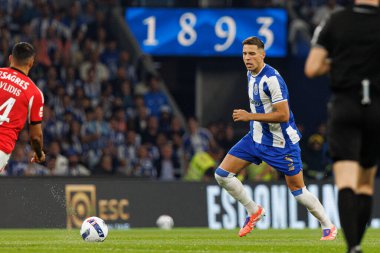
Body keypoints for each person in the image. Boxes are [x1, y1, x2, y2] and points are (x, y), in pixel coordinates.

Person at [214, 36, 336, 240]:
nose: (247, 58)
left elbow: (283, 115)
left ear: (263, 54)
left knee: (298, 191)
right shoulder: (250, 73)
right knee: (222, 175)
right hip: (256, 138)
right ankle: (254, 211)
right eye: (244, 54)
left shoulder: (272, 79)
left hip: (281, 144)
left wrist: (249, 116)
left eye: (252, 53)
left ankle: (328, 225)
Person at [304, 1, 380, 252]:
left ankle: (353, 246)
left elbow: (313, 67)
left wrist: (337, 65)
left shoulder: (336, 21)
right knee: (366, 184)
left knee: (346, 181)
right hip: (376, 109)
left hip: (345, 105)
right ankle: (358, 242)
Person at [0, 42, 45, 171]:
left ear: (10, 58)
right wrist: (38, 153)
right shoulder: (34, 93)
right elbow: (35, 136)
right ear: (31, 63)